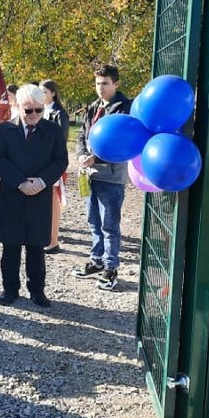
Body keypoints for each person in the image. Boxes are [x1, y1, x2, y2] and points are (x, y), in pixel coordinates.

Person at [0, 84, 68, 307]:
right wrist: (20, 183)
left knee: (36, 246)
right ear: (19, 107)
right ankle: (10, 289)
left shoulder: (53, 131)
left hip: (39, 195)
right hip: (13, 195)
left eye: (38, 110)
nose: (34, 115)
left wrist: (42, 181)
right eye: (28, 110)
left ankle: (37, 291)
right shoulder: (5, 130)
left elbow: (60, 160)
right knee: (11, 245)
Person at [73, 64, 132, 291]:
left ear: (115, 84)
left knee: (110, 225)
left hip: (111, 177)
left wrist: (95, 158)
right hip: (90, 175)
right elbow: (81, 135)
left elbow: (121, 143)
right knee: (93, 222)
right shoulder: (93, 107)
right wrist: (81, 156)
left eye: (105, 83)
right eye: (97, 83)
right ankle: (96, 260)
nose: (100, 88)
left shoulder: (124, 109)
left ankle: (110, 268)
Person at [39, 79, 70, 254]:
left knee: (53, 201)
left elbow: (61, 141)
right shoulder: (40, 110)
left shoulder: (59, 114)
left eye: (44, 91)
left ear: (52, 93)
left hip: (52, 163)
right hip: (39, 163)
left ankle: (53, 241)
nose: (41, 95)